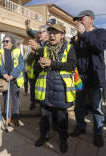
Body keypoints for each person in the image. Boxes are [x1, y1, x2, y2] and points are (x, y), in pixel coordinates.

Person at [33, 24, 77, 153]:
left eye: (55, 33)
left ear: (62, 35)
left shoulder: (69, 48)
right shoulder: (44, 49)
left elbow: (72, 66)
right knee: (44, 117)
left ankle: (63, 140)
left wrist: (51, 63)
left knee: (61, 118)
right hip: (46, 89)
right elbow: (36, 68)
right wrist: (40, 66)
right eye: (50, 32)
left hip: (61, 90)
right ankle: (44, 136)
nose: (52, 35)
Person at [70, 10, 106, 148]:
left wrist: (84, 34)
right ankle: (80, 126)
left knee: (96, 107)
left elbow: (99, 46)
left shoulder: (101, 32)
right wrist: (76, 41)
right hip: (80, 77)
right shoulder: (78, 36)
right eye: (77, 20)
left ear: (91, 19)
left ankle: (97, 132)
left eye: (81, 19)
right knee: (79, 105)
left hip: (95, 76)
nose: (79, 22)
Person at [0, 35, 24, 127]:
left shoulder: (17, 51)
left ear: (12, 43)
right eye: (3, 41)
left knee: (15, 99)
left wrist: (12, 75)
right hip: (4, 80)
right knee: (6, 100)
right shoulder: (0, 52)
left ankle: (16, 118)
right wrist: (4, 74)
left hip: (14, 80)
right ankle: (8, 118)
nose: (4, 43)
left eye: (7, 41)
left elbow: (21, 65)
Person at [27, 25, 49, 110]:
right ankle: (34, 103)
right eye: (38, 33)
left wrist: (38, 48)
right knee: (35, 90)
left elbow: (48, 55)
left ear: (47, 33)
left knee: (45, 96)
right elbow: (28, 61)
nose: (38, 34)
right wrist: (32, 53)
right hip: (36, 73)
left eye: (40, 33)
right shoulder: (37, 43)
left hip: (46, 75)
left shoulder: (50, 44)